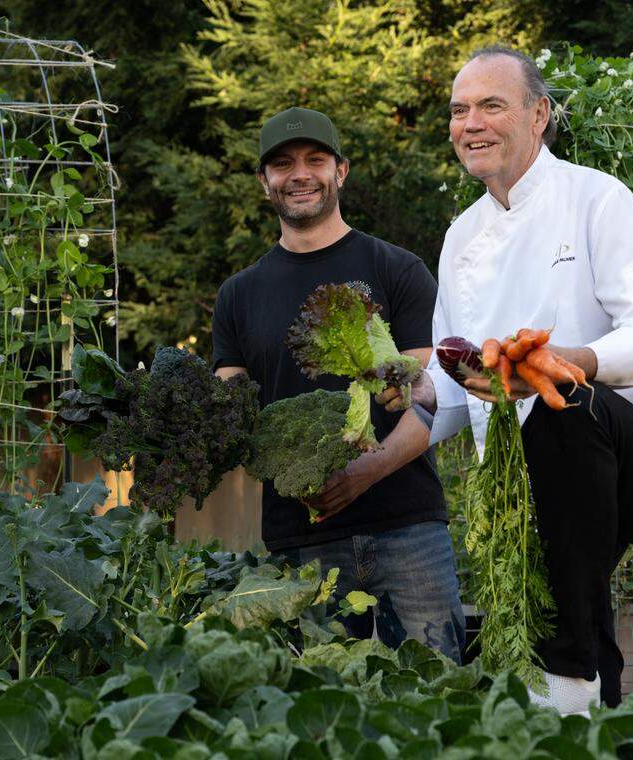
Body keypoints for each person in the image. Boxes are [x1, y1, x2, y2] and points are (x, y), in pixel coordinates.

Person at [423, 46, 633, 711]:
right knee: (563, 569)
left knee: (559, 403)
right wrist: (403, 388)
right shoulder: (462, 238)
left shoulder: (597, 200)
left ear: (539, 114)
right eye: (460, 111)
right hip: (532, 488)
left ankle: (570, 688)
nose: (472, 123)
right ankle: (593, 708)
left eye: (491, 105)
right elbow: (457, 381)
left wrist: (573, 360)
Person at [211, 106, 466, 662]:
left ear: (340, 172)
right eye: (282, 164)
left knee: (437, 694)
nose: (299, 174)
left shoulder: (398, 269)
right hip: (299, 536)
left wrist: (364, 472)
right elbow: (230, 412)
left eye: (315, 160)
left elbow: (430, 400)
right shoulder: (238, 294)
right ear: (264, 181)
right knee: (316, 710)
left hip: (408, 525)